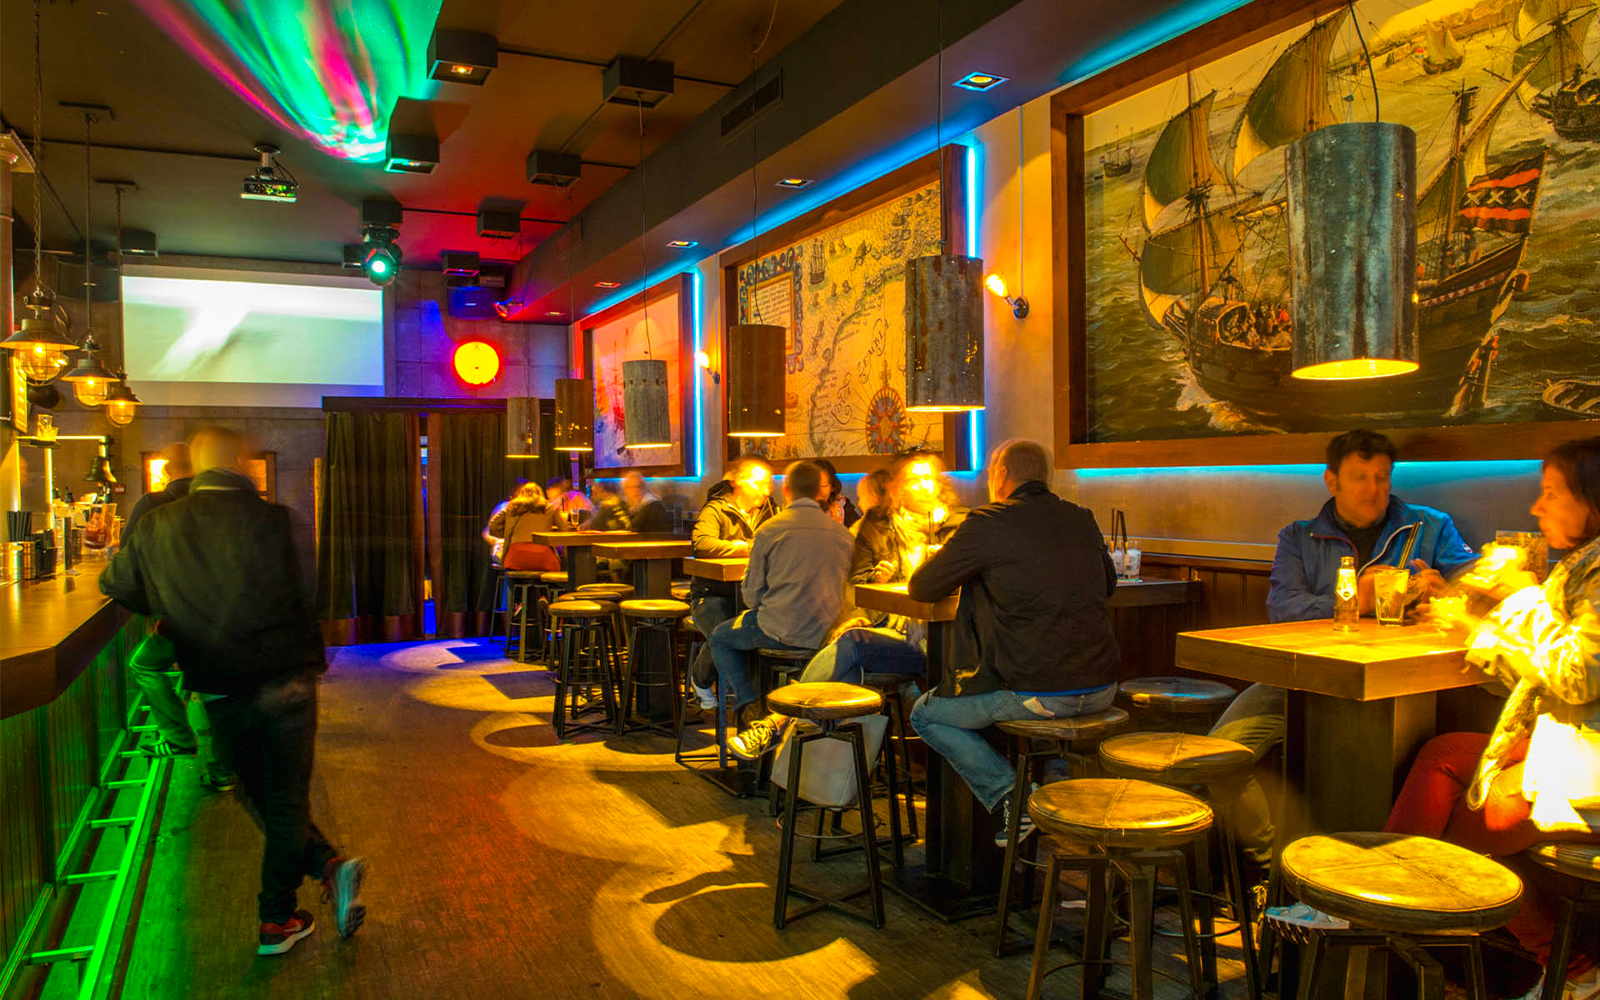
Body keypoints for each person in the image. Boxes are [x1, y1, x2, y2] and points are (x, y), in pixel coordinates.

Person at [99, 427, 366, 956]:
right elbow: (310, 592)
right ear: (240, 464)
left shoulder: (157, 525)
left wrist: (172, 610)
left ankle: (285, 911)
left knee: (254, 790)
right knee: (283, 796)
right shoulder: (276, 520)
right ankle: (315, 878)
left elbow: (118, 587)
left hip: (219, 681)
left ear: (194, 469)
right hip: (287, 676)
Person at [1383, 437, 1600, 1000]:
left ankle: (1571, 971)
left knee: (1452, 840)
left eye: (1551, 493)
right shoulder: (1583, 566)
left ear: (1594, 502)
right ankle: (1384, 908)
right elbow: (1544, 674)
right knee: (1445, 753)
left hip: (1588, 772)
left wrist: (1520, 597)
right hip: (1571, 742)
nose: (1537, 507)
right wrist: (1478, 630)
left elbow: (1579, 676)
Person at [1211, 428, 1477, 875]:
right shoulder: (1299, 537)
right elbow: (1282, 610)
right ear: (1331, 481)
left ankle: (1352, 886)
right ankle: (1275, 871)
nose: (1373, 490)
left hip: (1403, 690)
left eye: (1381, 478)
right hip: (1300, 680)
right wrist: (1357, 599)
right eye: (1359, 477)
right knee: (1217, 758)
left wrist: (1446, 592)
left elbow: (1478, 595)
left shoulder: (1431, 527)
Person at [907, 439, 1121, 846]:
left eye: (991, 473)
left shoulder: (988, 521)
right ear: (1047, 477)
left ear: (1002, 475)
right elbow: (1108, 583)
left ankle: (1015, 796)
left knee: (926, 715)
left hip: (1037, 693)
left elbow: (923, 586)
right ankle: (1052, 788)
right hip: (1103, 689)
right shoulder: (1081, 518)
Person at [729, 454, 965, 759]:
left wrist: (944, 562)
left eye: (929, 477)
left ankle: (778, 729)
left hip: (946, 641)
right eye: (914, 478)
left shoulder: (958, 525)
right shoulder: (879, 524)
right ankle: (828, 773)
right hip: (895, 632)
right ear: (898, 488)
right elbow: (854, 582)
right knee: (849, 659)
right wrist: (859, 609)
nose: (925, 484)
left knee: (848, 650)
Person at [709, 461, 853, 753]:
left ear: (786, 490)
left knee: (720, 637)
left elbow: (750, 596)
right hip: (829, 636)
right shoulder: (844, 535)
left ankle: (750, 707)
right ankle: (783, 710)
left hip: (779, 629)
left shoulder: (770, 530)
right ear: (820, 494)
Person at [122, 443, 238, 792]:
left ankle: (178, 737)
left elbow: (128, 559)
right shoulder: (222, 504)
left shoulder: (153, 503)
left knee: (143, 665)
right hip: (229, 613)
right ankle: (223, 770)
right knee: (217, 690)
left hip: (180, 615)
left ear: (166, 470)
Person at [687, 457, 778, 707]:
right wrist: (743, 548)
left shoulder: (772, 511)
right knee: (723, 634)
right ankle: (704, 680)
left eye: (769, 484)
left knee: (768, 632)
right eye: (759, 483)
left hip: (755, 595)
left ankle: (760, 704)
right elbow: (701, 543)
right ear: (738, 481)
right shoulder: (716, 509)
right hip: (713, 594)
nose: (766, 490)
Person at [486, 483, 563, 572]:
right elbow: (564, 528)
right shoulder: (550, 507)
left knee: (510, 577)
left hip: (515, 558)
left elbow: (493, 525)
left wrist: (509, 535)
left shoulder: (512, 507)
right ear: (540, 494)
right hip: (543, 558)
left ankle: (510, 586)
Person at [815, 458, 863, 531]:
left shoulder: (843, 506)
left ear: (833, 487)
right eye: (814, 485)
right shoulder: (802, 509)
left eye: (824, 485)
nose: (819, 491)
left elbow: (859, 533)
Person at [853, 468, 892, 536]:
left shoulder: (861, 528)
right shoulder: (905, 524)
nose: (859, 504)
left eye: (860, 497)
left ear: (874, 497)